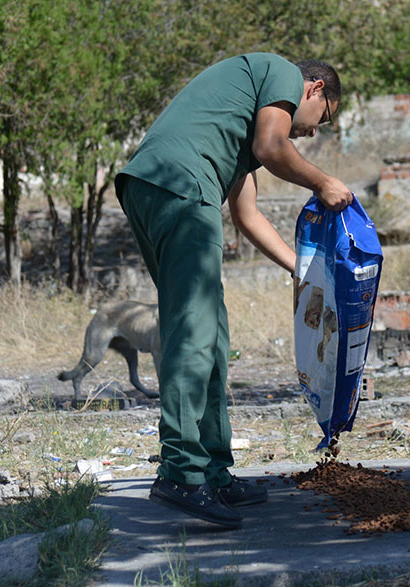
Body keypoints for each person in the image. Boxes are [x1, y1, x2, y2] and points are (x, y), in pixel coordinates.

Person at [114, 53, 352, 528]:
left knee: (212, 335)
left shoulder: (238, 127)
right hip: (180, 185)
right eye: (321, 120)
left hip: (159, 185)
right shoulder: (282, 74)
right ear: (316, 89)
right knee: (194, 330)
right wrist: (323, 182)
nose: (311, 133)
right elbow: (273, 146)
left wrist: (303, 272)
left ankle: (214, 471)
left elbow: (247, 217)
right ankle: (181, 473)